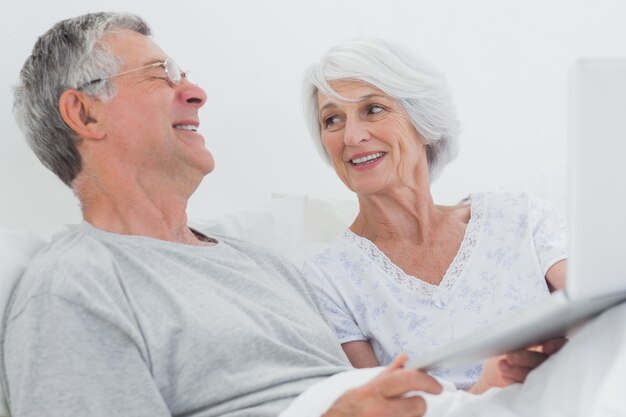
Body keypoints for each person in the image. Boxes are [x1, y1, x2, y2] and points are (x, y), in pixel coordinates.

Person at [3, 11, 624, 417]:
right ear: (84, 116)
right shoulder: (74, 284)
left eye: (372, 110)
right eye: (162, 75)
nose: (196, 92)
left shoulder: (263, 265)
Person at [300, 38, 568, 391]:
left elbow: (608, 317)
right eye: (332, 119)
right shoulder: (327, 280)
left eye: (373, 109)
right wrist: (482, 391)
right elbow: (377, 409)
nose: (351, 135)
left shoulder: (520, 219)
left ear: (423, 122)